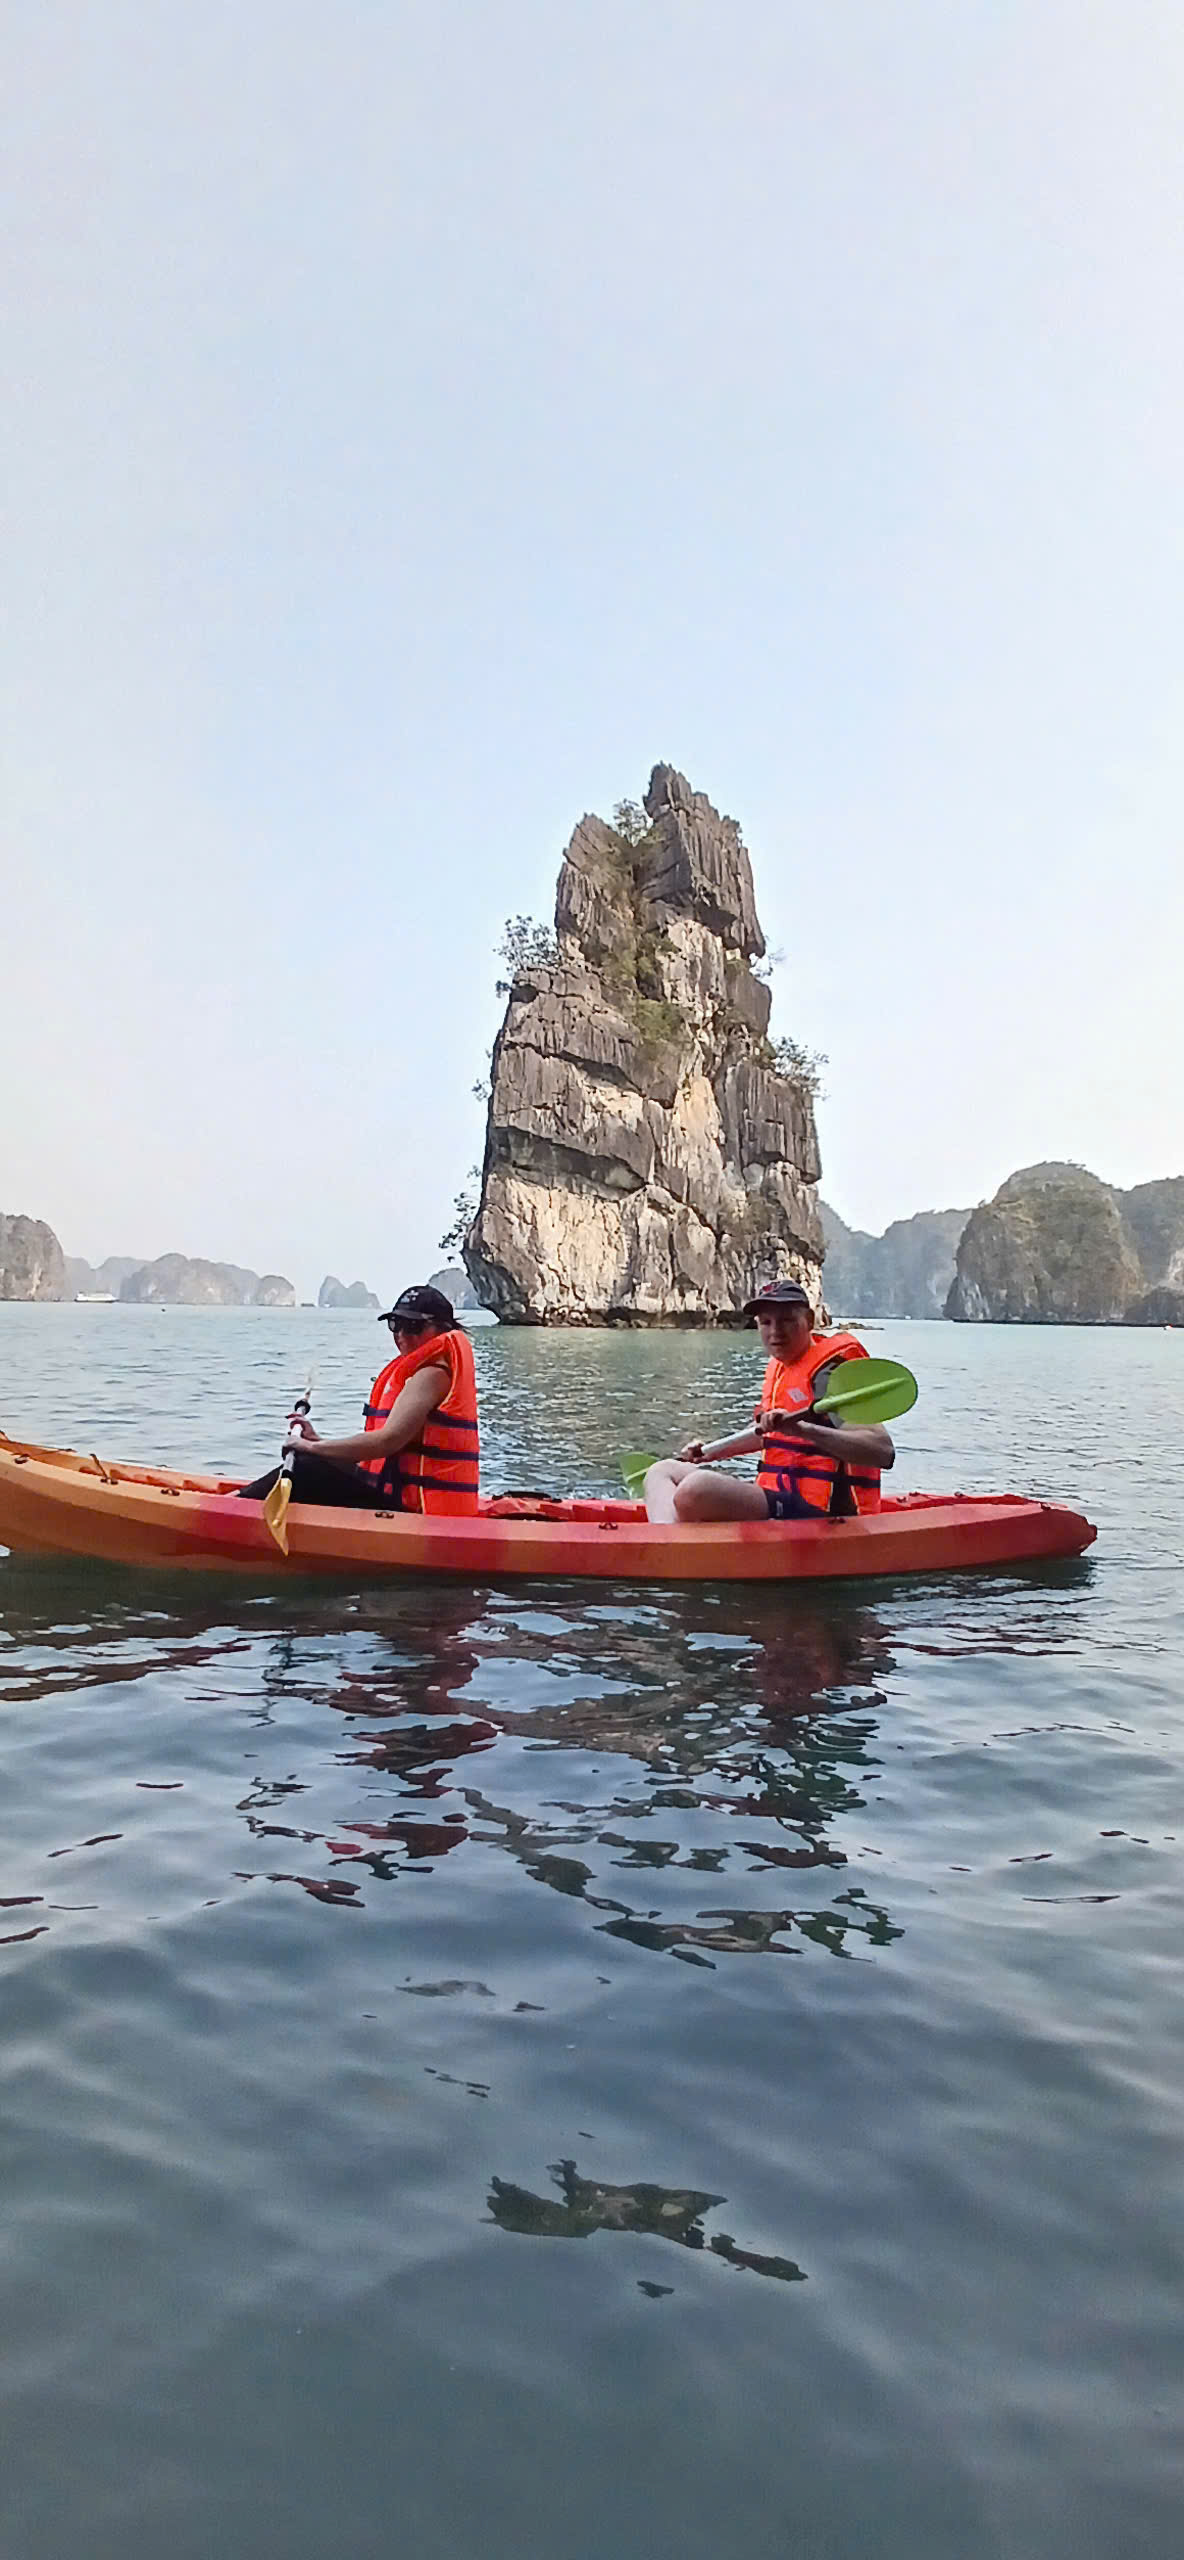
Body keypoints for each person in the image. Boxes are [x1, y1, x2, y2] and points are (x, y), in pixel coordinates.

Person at [643, 1278, 894, 1525]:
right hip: (777, 1497)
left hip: (818, 1510)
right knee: (660, 1471)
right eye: (766, 1322)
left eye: (786, 1320)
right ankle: (669, 1546)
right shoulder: (780, 1369)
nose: (775, 1332)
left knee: (695, 1489)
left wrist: (803, 1429)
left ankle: (675, 1551)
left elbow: (882, 1451)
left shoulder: (829, 1374)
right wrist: (708, 1453)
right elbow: (769, 1435)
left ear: (808, 1321)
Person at [237, 1284, 480, 1515]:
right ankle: (238, 1502)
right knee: (312, 1460)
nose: (403, 1334)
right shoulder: (423, 1371)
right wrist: (318, 1444)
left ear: (442, 1328)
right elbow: (379, 1456)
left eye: (414, 1326)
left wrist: (310, 1448)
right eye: (396, 1324)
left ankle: (233, 1507)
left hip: (415, 1512)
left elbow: (388, 1441)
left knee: (305, 1468)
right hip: (396, 1494)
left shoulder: (433, 1374)